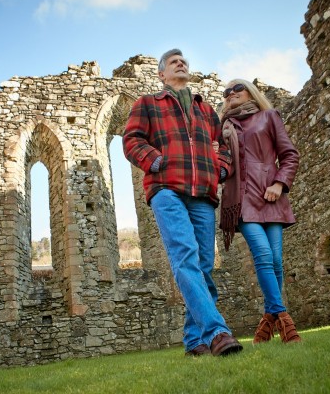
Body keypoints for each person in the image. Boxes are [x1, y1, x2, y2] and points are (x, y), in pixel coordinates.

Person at [123, 49, 243, 357]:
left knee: (203, 266)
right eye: (174, 62)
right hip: (166, 188)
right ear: (161, 74)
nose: (181, 63)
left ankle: (194, 341)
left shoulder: (205, 110)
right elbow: (132, 140)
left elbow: (225, 149)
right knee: (185, 257)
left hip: (202, 192)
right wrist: (157, 162)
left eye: (184, 61)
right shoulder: (148, 104)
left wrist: (220, 169)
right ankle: (217, 332)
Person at [218, 78, 302, 344]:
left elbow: (289, 155)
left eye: (237, 89)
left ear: (250, 92)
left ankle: (268, 321)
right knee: (263, 255)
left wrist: (279, 183)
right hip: (240, 201)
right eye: (226, 92)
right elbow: (220, 162)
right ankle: (284, 320)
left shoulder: (269, 116)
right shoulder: (223, 126)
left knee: (276, 261)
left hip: (270, 197)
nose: (231, 94)